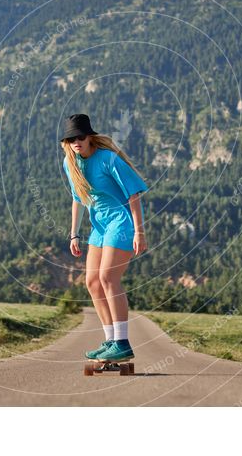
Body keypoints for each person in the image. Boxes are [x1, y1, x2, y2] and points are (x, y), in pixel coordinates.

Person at [60, 113, 149, 362]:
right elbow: (78, 199)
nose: (76, 141)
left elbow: (134, 194)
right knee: (92, 283)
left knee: (108, 277)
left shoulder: (108, 159)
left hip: (120, 222)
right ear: (66, 142)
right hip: (98, 227)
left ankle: (122, 342)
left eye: (81, 136)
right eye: (71, 138)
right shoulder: (71, 164)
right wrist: (74, 234)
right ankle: (111, 340)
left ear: (90, 137)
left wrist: (139, 231)